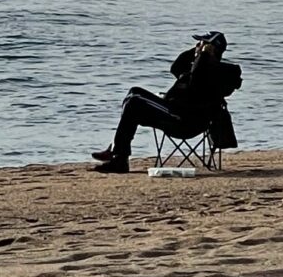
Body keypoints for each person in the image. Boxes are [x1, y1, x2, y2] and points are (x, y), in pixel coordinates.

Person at [92, 31, 232, 174]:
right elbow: (176, 67)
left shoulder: (218, 72)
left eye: (201, 44)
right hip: (174, 113)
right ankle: (118, 154)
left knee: (134, 101)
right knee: (133, 95)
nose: (197, 46)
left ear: (211, 49)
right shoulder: (199, 67)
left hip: (184, 120)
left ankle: (119, 158)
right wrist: (196, 51)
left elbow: (197, 81)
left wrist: (203, 54)